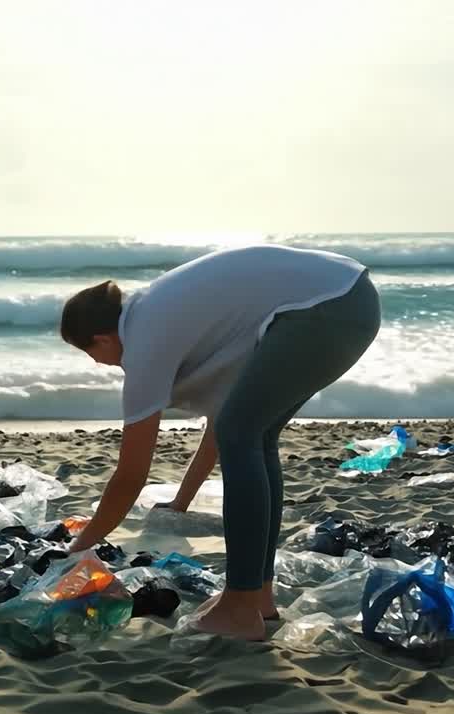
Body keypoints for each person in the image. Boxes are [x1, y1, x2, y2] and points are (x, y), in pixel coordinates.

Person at [60, 244, 380, 641]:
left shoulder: (144, 340)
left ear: (101, 339)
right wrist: (181, 501)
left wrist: (80, 547)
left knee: (246, 435)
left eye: (90, 353)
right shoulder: (164, 317)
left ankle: (241, 604)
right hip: (347, 299)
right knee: (255, 436)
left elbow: (131, 475)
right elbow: (221, 430)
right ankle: (257, 596)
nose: (98, 363)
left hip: (324, 307)